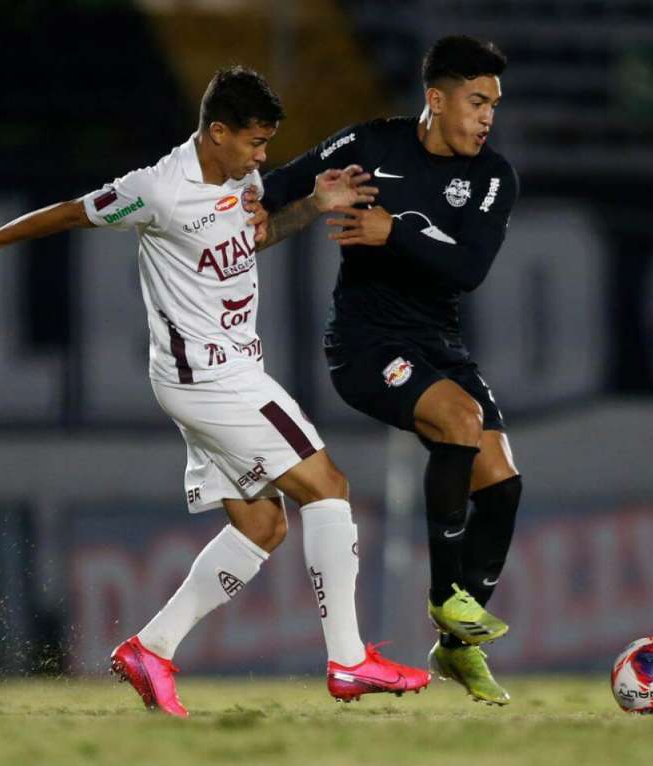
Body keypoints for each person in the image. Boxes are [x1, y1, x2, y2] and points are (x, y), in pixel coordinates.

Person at [0, 66, 429, 717]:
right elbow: (69, 213)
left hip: (218, 373)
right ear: (217, 131)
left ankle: (152, 647)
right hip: (212, 378)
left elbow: (254, 238)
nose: (262, 159)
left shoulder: (241, 179)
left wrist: (311, 207)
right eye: (254, 143)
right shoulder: (158, 190)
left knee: (261, 526)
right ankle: (348, 660)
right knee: (329, 487)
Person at [257, 36, 522, 706]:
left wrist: (391, 231)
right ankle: (445, 601)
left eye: (494, 102)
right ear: (436, 99)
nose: (488, 115)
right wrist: (264, 211)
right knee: (460, 421)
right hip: (365, 343)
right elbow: (276, 186)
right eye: (476, 100)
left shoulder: (494, 177)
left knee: (503, 482)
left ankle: (456, 650)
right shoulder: (373, 146)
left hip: (439, 343)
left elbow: (469, 269)